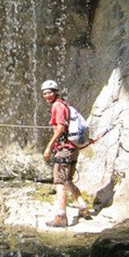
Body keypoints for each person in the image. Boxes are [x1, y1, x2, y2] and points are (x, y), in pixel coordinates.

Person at [41, 80, 89, 227]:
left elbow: (61, 127)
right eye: (44, 93)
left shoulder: (57, 106)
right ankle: (83, 207)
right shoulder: (64, 105)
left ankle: (61, 217)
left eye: (49, 92)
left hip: (64, 149)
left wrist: (49, 146)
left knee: (59, 182)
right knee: (67, 180)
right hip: (72, 148)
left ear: (55, 92)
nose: (47, 95)